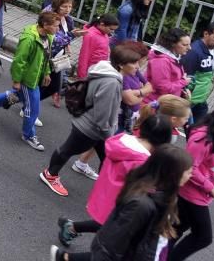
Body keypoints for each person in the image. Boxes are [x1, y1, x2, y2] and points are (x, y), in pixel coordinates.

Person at [49, 144, 193, 261]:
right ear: (173, 174)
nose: (191, 174)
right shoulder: (142, 204)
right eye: (188, 171)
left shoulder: (167, 198)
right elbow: (110, 246)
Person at [56, 113, 177, 249]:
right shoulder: (142, 161)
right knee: (111, 233)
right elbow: (146, 186)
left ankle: (71, 227)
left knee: (105, 224)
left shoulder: (122, 140)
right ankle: (71, 235)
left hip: (106, 191)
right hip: (122, 201)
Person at [40, 43, 143, 197]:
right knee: (67, 150)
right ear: (121, 64)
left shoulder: (107, 71)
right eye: (134, 63)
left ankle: (105, 190)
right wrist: (109, 134)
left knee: (107, 158)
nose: (138, 66)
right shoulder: (111, 82)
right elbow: (103, 113)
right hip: (92, 128)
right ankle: (50, 174)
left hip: (93, 125)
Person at [0, 11, 59, 152]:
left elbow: (47, 57)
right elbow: (18, 61)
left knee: (16, 97)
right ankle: (29, 135)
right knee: (33, 108)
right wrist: (17, 80)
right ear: (45, 25)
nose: (57, 29)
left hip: (35, 78)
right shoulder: (29, 39)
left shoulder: (49, 36)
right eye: (55, 26)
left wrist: (46, 72)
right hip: (27, 80)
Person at [169, 104, 214, 260]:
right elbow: (189, 166)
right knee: (203, 237)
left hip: (200, 195)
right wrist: (210, 187)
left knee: (175, 230)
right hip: (192, 194)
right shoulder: (202, 138)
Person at [43, 0, 85, 108]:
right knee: (37, 86)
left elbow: (65, 37)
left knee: (54, 85)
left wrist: (68, 46)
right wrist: (73, 35)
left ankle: (28, 103)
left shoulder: (68, 20)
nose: (67, 10)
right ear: (57, 5)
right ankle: (6, 100)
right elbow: (55, 40)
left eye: (70, 7)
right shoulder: (50, 18)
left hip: (58, 57)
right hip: (44, 56)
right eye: (64, 6)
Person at [181, 23, 214, 123]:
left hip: (199, 100)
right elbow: (184, 76)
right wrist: (185, 99)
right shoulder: (194, 51)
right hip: (188, 100)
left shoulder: (211, 50)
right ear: (206, 34)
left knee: (199, 132)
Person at [143, 29, 192, 104]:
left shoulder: (174, 57)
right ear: (173, 44)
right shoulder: (161, 61)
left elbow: (172, 81)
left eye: (189, 44)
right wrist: (183, 82)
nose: (189, 48)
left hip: (164, 103)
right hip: (153, 104)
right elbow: (163, 88)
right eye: (185, 45)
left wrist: (181, 91)